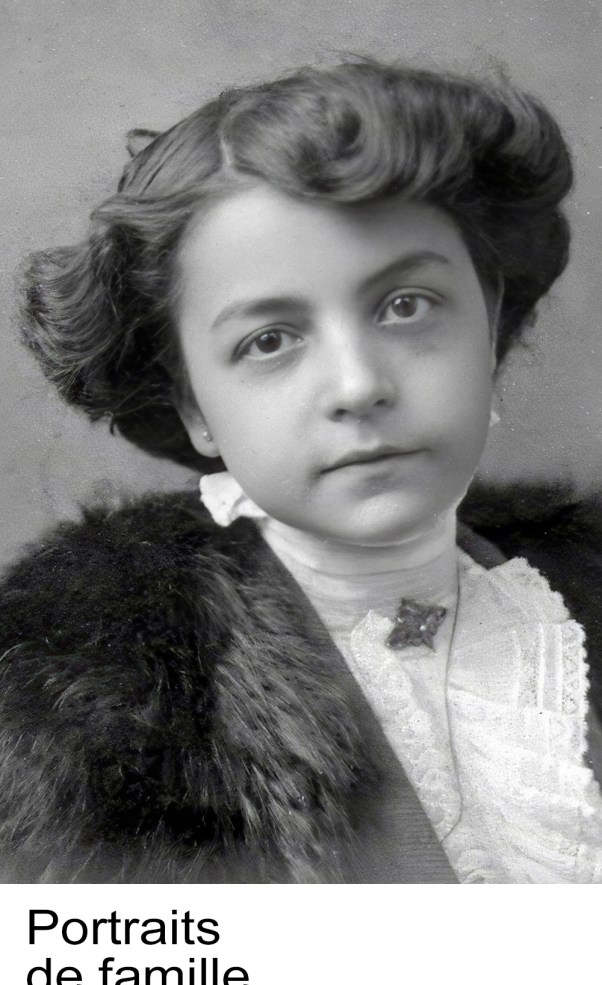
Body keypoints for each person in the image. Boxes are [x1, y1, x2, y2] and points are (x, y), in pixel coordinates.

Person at [1, 59, 601, 883]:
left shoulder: (568, 600)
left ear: (488, 323)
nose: (357, 385)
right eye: (269, 341)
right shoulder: (81, 719)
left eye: (406, 305)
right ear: (193, 404)